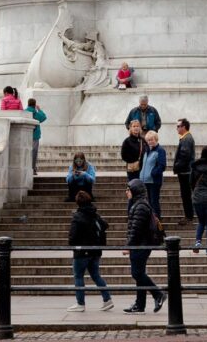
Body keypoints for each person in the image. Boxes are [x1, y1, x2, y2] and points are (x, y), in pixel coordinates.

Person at [66, 190, 114, 313]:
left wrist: (73, 243)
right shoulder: (94, 214)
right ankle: (107, 299)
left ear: (77, 202)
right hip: (95, 251)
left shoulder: (77, 217)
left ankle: (80, 303)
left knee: (78, 276)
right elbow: (105, 225)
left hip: (82, 252)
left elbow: (72, 237)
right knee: (96, 275)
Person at [123, 180, 165, 314]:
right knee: (139, 274)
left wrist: (128, 246)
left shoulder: (140, 206)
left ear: (135, 190)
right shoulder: (138, 204)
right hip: (141, 244)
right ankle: (140, 305)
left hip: (141, 245)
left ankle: (158, 294)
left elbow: (136, 230)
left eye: (128, 189)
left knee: (137, 273)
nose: (126, 192)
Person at [139, 130, 166, 217]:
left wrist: (153, 173)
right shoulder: (146, 150)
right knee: (149, 202)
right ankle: (151, 220)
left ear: (156, 139)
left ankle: (157, 220)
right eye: (148, 140)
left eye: (151, 140)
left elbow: (162, 166)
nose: (149, 142)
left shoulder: (160, 150)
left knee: (154, 201)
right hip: (145, 180)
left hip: (154, 181)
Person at [174, 118, 195, 220]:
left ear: (184, 127)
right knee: (186, 194)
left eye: (178, 126)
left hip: (185, 172)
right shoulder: (186, 138)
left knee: (185, 194)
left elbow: (184, 156)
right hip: (185, 171)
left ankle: (188, 216)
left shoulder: (186, 139)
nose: (177, 128)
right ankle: (189, 215)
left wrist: (177, 166)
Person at [27, 98, 47, 174]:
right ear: (34, 105)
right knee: (34, 153)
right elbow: (44, 117)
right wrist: (39, 109)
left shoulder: (25, 112)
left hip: (26, 135)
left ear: (28, 104)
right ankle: (33, 169)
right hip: (35, 135)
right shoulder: (36, 113)